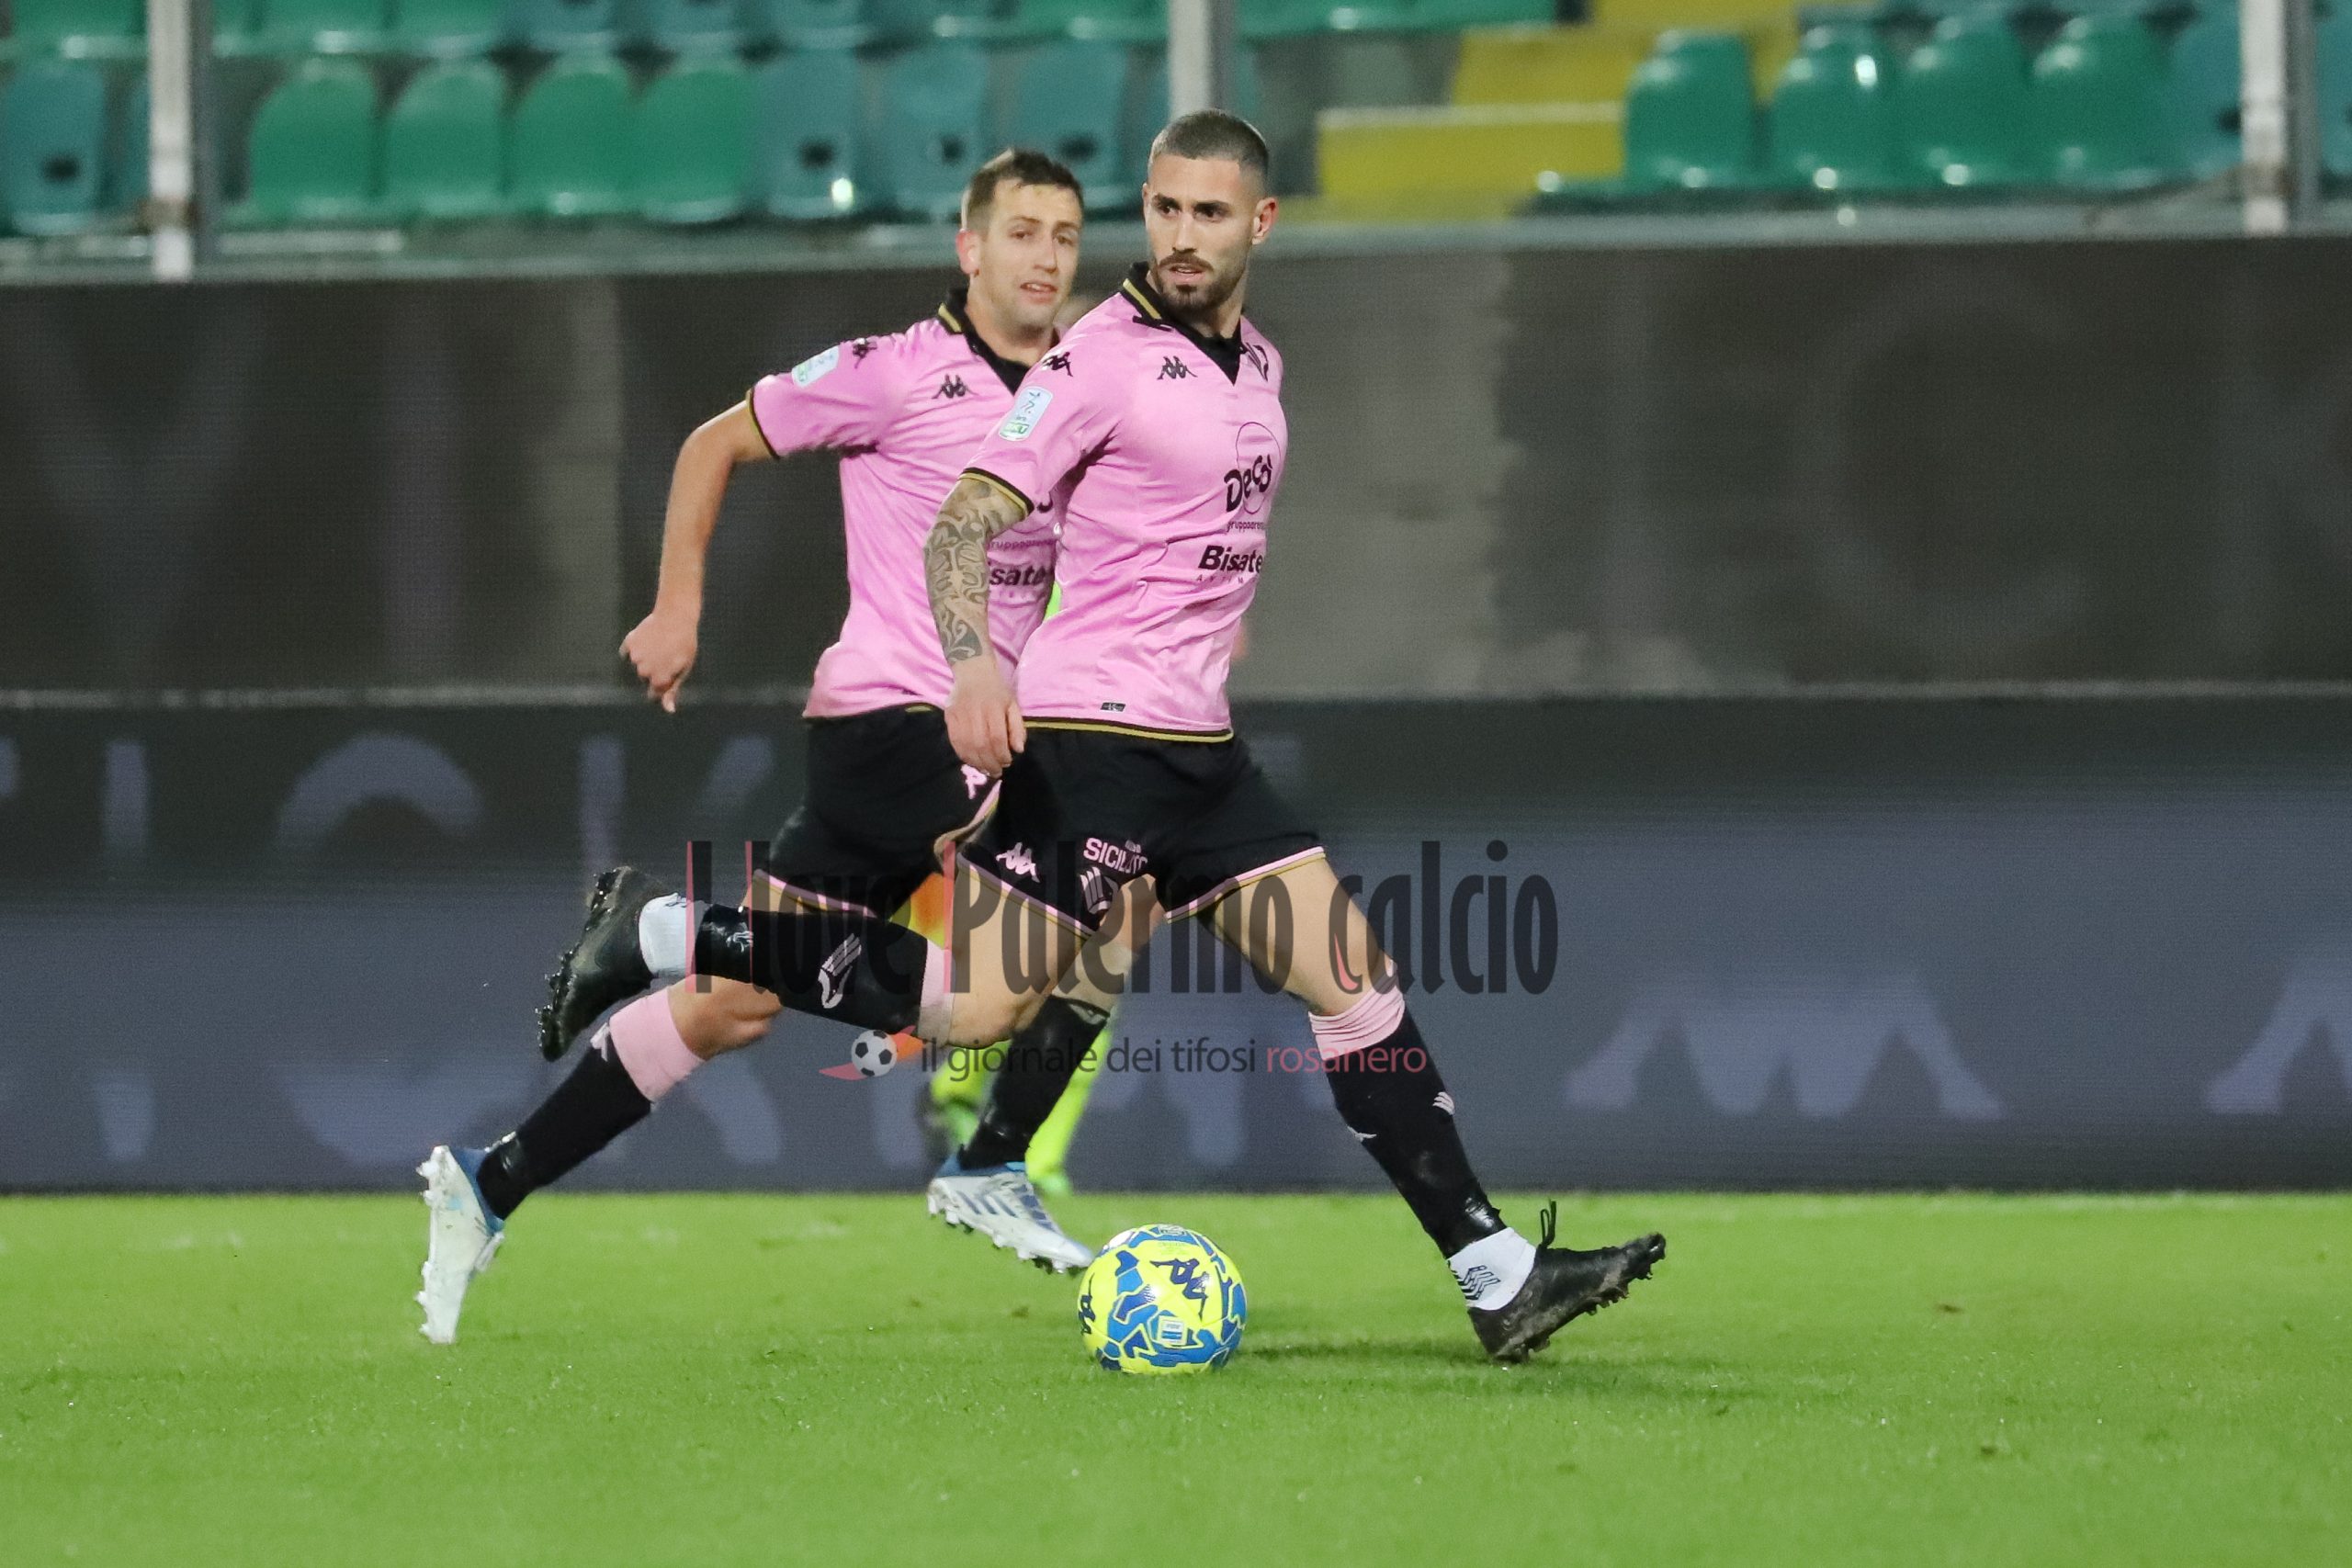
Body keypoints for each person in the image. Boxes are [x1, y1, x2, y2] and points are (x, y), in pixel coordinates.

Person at [548, 113, 1665, 1364]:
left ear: (1261, 223)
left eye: (1209, 213)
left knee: (1355, 984)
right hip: (1090, 746)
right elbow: (963, 524)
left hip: (1201, 753)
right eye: (1164, 209)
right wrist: (975, 663)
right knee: (975, 1011)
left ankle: (1496, 1278)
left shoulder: (1262, 368)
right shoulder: (1098, 359)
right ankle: (665, 931)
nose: (1181, 236)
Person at [417, 150, 1125, 1347]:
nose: (1047, 256)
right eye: (1022, 232)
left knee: (732, 1006)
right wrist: (676, 609)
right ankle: (978, 1156)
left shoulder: (1078, 392)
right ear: (970, 249)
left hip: (956, 731)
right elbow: (713, 443)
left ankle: (490, 1182)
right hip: (904, 722)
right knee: (1062, 935)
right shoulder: (896, 372)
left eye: (1064, 234)